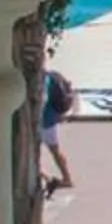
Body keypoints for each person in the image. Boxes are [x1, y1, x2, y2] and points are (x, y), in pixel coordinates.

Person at [39, 60, 77, 196]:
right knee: (55, 151)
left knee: (30, 151)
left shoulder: (43, 81)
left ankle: (43, 177)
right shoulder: (52, 75)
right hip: (51, 119)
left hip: (42, 122)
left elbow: (42, 100)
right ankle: (67, 178)